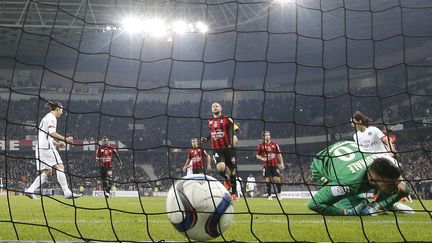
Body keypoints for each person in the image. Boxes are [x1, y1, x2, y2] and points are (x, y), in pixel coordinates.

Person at [308, 140, 414, 215]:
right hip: (322, 164)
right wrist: (346, 213)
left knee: (404, 189)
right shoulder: (348, 184)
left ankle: (381, 206)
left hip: (349, 147)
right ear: (374, 180)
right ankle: (356, 208)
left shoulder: (386, 162)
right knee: (354, 207)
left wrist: (378, 204)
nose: (395, 187)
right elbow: (314, 204)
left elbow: (403, 188)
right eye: (391, 184)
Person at [25, 101, 82, 199]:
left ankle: (30, 190)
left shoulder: (46, 117)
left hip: (40, 147)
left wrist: (57, 143)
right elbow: (52, 133)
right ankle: (67, 192)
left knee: (47, 172)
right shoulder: (52, 118)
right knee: (60, 166)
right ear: (57, 109)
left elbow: (46, 135)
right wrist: (65, 139)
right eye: (61, 110)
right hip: (46, 147)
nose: (62, 112)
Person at [201, 102, 240, 200]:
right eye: (213, 106)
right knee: (221, 168)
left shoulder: (227, 119)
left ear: (220, 108)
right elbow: (212, 133)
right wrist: (206, 139)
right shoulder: (209, 121)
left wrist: (234, 137)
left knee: (232, 171)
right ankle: (226, 179)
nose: (214, 107)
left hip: (228, 148)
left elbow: (236, 128)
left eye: (216, 106)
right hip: (217, 149)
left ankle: (234, 193)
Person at [256, 131, 285, 200]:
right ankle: (269, 195)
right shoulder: (261, 145)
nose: (267, 136)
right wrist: (262, 158)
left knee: (277, 180)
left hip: (274, 165)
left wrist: (282, 163)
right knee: (267, 180)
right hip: (266, 165)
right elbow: (257, 155)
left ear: (270, 136)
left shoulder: (275, 144)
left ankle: (279, 194)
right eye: (265, 135)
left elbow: (279, 154)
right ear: (263, 137)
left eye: (268, 135)